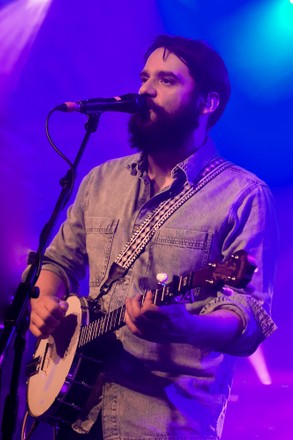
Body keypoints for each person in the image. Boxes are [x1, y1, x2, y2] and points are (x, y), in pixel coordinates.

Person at [28, 35, 278, 439]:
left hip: (163, 423)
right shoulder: (101, 180)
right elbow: (57, 262)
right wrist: (45, 303)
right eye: (145, 77)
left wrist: (186, 327)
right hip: (78, 412)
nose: (145, 90)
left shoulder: (243, 196)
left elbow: (249, 318)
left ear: (207, 102)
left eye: (166, 80)